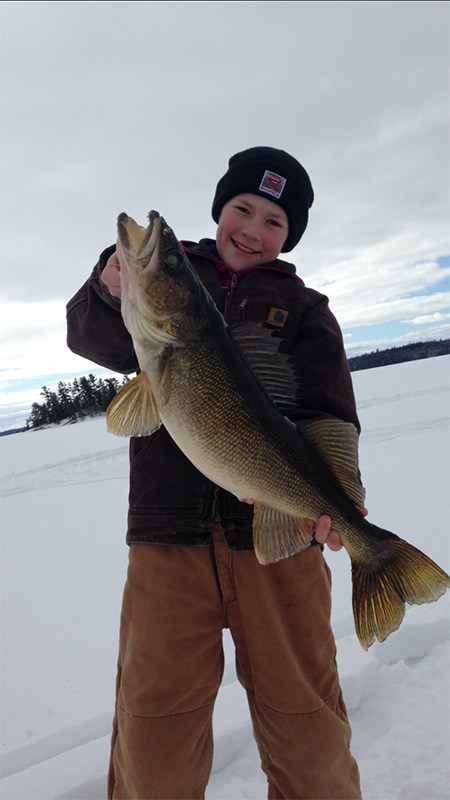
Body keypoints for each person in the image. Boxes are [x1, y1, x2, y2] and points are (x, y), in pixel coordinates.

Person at [66, 146, 363, 799]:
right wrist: (111, 286)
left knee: (307, 724)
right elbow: (94, 338)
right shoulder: (166, 301)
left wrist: (340, 502)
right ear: (220, 208)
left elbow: (327, 415)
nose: (253, 230)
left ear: (291, 237)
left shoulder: (306, 310)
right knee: (154, 732)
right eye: (242, 209)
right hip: (166, 543)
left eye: (275, 222)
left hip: (279, 546)